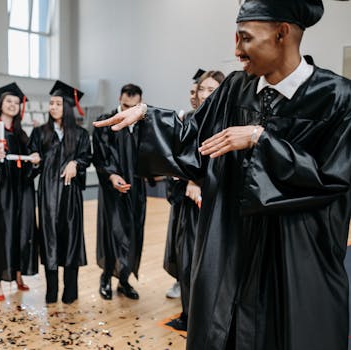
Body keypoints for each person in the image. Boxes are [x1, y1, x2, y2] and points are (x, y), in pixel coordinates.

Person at [94, 1, 351, 349]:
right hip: (229, 247)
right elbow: (193, 141)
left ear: (282, 33)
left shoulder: (337, 98)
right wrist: (146, 115)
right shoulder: (235, 89)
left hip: (294, 260)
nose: (236, 50)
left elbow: (332, 179)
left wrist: (261, 140)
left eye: (245, 38)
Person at [166, 70, 225, 331]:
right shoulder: (189, 120)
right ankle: (189, 315)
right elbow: (179, 158)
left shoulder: (227, 122)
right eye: (202, 89)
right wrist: (184, 178)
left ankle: (211, 319)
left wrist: (197, 181)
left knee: (212, 264)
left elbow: (223, 162)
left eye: (211, 89)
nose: (203, 94)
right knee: (187, 259)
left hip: (216, 204)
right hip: (189, 207)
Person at [28, 80, 92, 304]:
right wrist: (34, 161)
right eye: (51, 103)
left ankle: (71, 291)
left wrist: (76, 163)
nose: (52, 107)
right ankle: (51, 290)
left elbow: (86, 157)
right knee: (49, 239)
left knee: (71, 238)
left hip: (70, 194)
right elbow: (32, 158)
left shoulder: (81, 134)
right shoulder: (40, 132)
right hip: (47, 195)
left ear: (67, 106)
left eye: (57, 103)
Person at [0, 82, 38, 302]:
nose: (13, 105)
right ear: (1, 104)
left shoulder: (21, 133)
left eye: (16, 102)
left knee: (20, 231)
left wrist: (34, 160)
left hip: (20, 191)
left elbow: (29, 164)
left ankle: (17, 274)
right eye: (9, 101)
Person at [92, 83, 146, 300]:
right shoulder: (107, 121)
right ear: (119, 99)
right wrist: (112, 175)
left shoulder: (143, 123)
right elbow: (101, 155)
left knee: (133, 232)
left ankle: (124, 280)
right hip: (112, 189)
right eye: (124, 105)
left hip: (136, 188)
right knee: (112, 233)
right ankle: (106, 276)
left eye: (132, 106)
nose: (127, 110)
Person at [164, 68, 204, 300]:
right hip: (182, 193)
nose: (194, 96)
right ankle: (181, 280)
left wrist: (194, 179)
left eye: (198, 91)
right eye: (193, 91)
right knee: (181, 241)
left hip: (201, 192)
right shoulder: (186, 118)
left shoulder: (216, 119)